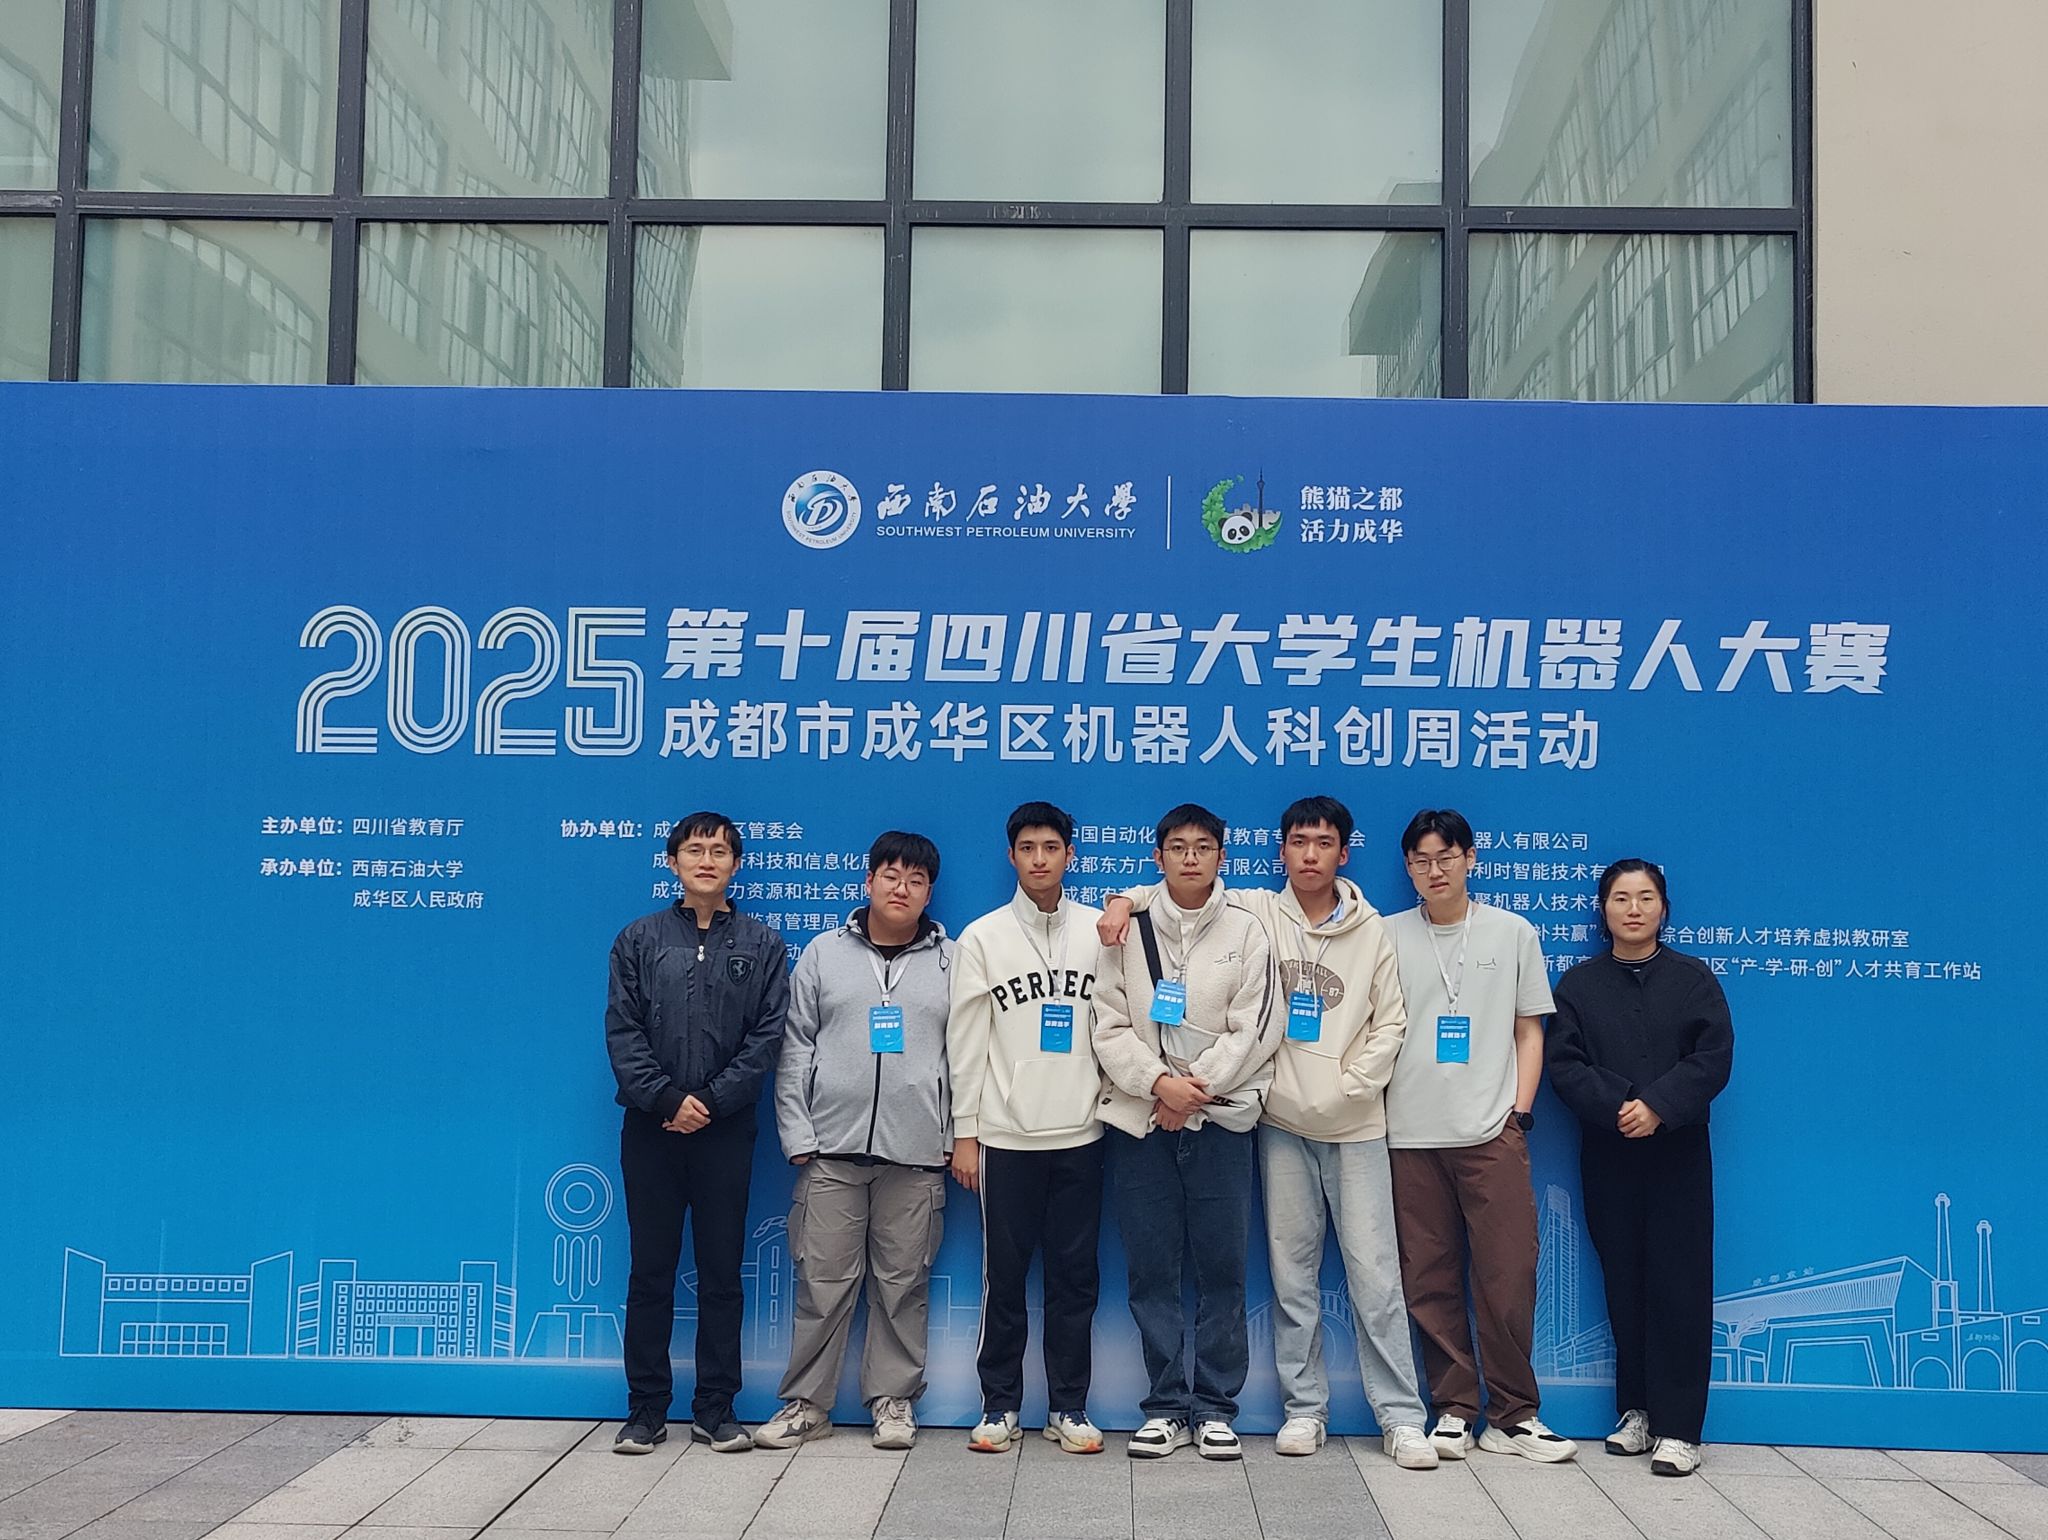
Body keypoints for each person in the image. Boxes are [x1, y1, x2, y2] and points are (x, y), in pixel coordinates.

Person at [1099, 796, 1436, 1469]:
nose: (1310, 854)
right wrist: (1120, 902)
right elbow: (1152, 923)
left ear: (1344, 852)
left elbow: (1365, 1024)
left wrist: (1342, 1089)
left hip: (1334, 1121)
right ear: (1280, 851)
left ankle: (1396, 1418)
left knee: (1368, 1277)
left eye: (1324, 842)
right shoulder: (1245, 912)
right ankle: (1283, 1409)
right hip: (1255, 1120)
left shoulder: (1350, 929)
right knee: (1279, 1277)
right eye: (1298, 842)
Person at [1382, 809, 1578, 1464]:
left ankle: (1515, 1415)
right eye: (1420, 860)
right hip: (1409, 1134)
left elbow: (1530, 1029)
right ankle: (1455, 1409)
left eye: (1446, 857)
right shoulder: (1387, 934)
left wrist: (1518, 1113)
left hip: (1491, 1130)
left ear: (1470, 859)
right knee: (1428, 1277)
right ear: (1407, 868)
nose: (1434, 870)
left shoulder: (1512, 932)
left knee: (1507, 1273)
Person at [1092, 803, 1280, 1461]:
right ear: (1159, 856)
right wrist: (1157, 1085)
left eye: (1203, 846)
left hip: (1221, 1123)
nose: (1191, 857)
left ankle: (1218, 1407)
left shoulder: (1248, 929)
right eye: (1178, 846)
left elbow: (1257, 1026)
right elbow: (1107, 1023)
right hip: (1142, 1124)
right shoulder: (1126, 929)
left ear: (1222, 856)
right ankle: (1167, 1406)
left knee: (1224, 1269)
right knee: (1152, 1271)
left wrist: (1192, 1091)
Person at [756, 831, 953, 1452]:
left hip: (917, 1156)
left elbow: (967, 1056)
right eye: (891, 875)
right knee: (822, 1284)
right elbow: (795, 1047)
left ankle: (893, 1402)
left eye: (916, 880)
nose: (902, 888)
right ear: (868, 881)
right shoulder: (822, 953)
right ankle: (806, 1405)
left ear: (929, 893)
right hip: (830, 1154)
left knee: (903, 1286)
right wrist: (797, 1132)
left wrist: (952, 1136)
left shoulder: (952, 961)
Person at [605, 812, 790, 1456]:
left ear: (736, 864)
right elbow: (623, 1032)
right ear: (673, 862)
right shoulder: (638, 939)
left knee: (721, 1274)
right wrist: (665, 1098)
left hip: (724, 1130)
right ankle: (645, 1411)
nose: (706, 860)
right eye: (694, 850)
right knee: (651, 1273)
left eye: (718, 851)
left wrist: (708, 1102)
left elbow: (767, 1038)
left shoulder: (762, 944)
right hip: (651, 1127)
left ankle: (716, 1408)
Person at [1547, 859, 1733, 1478]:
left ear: (1663, 908)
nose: (1633, 908)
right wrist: (1621, 1103)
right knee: (1624, 1283)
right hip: (1609, 1152)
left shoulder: (1693, 978)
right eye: (1621, 898)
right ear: (1602, 910)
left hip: (1678, 1152)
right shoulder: (1578, 986)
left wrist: (1657, 1106)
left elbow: (1713, 1058)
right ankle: (1638, 1411)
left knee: (1679, 1285)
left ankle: (1680, 1429)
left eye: (1646, 897)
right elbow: (1565, 1065)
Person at [949, 802, 1107, 1455]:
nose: (1039, 859)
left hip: (1082, 1134)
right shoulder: (982, 937)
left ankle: (1069, 1407)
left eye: (1051, 847)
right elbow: (966, 1043)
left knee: (1075, 1280)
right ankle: (999, 1407)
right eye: (1027, 848)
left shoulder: (1102, 930)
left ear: (1070, 854)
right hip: (1005, 1138)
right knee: (1004, 1280)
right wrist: (965, 1132)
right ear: (1011, 856)